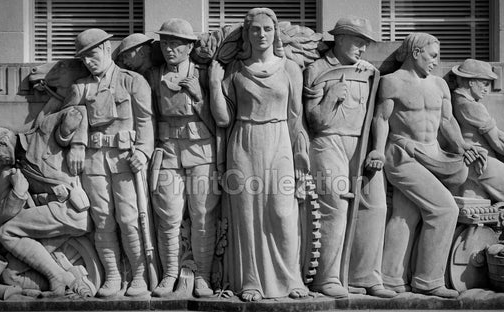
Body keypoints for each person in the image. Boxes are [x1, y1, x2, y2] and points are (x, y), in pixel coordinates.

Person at [369, 32, 483, 298]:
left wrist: (461, 146)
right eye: (433, 55)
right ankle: (429, 280)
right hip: (403, 155)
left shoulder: (439, 86)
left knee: (405, 215)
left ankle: (391, 278)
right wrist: (377, 150)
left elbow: (447, 122)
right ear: (416, 52)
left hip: (434, 153)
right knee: (444, 209)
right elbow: (381, 120)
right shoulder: (391, 83)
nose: (436, 61)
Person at [208, 7, 310, 302]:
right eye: (255, 29)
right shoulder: (236, 70)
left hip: (279, 141)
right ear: (247, 33)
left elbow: (295, 116)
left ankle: (291, 279)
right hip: (244, 140)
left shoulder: (290, 68)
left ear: (275, 31)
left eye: (267, 28)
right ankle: (250, 280)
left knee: (282, 212)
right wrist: (215, 84)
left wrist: (300, 153)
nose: (262, 34)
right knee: (248, 214)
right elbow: (223, 118)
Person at [302, 17, 395, 299]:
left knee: (376, 207)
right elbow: (314, 120)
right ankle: (326, 278)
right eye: (358, 41)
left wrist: (376, 149)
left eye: (366, 43)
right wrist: (331, 97)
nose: (363, 49)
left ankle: (365, 276)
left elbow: (379, 116)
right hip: (328, 142)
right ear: (340, 38)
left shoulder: (368, 72)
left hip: (362, 145)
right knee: (336, 207)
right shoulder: (316, 69)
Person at [64, 28, 154, 297]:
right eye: (83, 59)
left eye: (92, 55)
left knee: (129, 219)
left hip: (125, 160)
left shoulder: (132, 81)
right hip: (93, 161)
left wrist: (144, 151)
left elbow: (146, 121)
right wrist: (78, 143)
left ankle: (138, 275)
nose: (88, 62)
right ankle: (113, 275)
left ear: (106, 49)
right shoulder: (81, 87)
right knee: (103, 220)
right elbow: (66, 121)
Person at [145, 18, 219, 298]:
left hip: (202, 151)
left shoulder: (204, 74)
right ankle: (170, 274)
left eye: (175, 43)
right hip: (168, 151)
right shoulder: (154, 76)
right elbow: (147, 117)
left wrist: (199, 97)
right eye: (165, 43)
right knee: (168, 216)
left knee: (203, 215)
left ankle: (202, 275)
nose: (169, 48)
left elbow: (222, 122)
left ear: (189, 47)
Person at [0, 107, 92, 297]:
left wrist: (77, 146)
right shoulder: (13, 170)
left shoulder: (42, 131)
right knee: (10, 274)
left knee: (6, 233)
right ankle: (70, 282)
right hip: (52, 221)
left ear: (3, 143)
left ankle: (58, 277)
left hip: (69, 209)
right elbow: (7, 213)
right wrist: (18, 190)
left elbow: (78, 111)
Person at [452, 59, 504, 209]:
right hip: (482, 162)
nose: (486, 89)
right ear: (471, 82)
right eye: (484, 83)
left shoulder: (456, 100)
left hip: (469, 163)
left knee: (476, 210)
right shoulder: (472, 107)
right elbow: (496, 139)